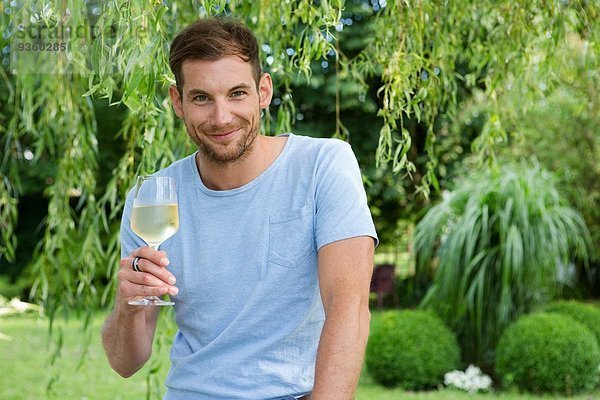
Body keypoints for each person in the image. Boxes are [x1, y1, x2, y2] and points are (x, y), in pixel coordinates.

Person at [102, 17, 378, 400]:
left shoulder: (323, 165)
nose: (221, 118)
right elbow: (125, 363)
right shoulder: (154, 195)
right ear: (177, 102)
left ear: (263, 92)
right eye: (201, 98)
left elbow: (348, 310)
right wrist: (129, 305)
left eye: (236, 94)